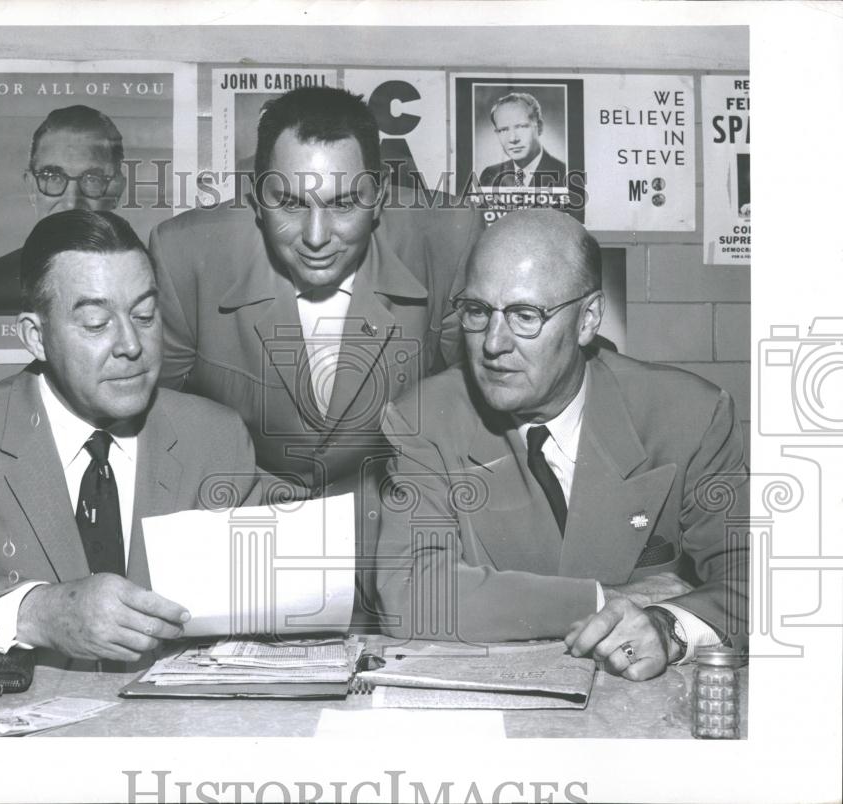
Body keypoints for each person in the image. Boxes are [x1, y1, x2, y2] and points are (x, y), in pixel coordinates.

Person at [0, 210, 259, 664]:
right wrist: (37, 612)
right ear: (36, 337)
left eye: (145, 315)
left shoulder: (216, 437)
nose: (131, 344)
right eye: (96, 323)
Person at [149, 86, 483, 618]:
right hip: (242, 528)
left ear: (378, 196)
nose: (316, 236)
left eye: (343, 203)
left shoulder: (446, 237)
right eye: (289, 203)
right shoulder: (187, 254)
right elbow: (153, 428)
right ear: (257, 197)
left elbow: (474, 416)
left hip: (396, 526)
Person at [376, 210, 748, 681]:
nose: (492, 344)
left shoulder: (690, 416)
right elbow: (410, 593)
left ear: (588, 319)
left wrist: (668, 625)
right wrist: (601, 598)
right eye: (477, 311)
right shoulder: (423, 418)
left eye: (525, 316)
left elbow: (764, 583)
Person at [0, 105, 127, 317]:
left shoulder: (159, 290)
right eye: (53, 177)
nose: (71, 203)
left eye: (92, 179)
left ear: (116, 189)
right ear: (31, 188)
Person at [479, 93, 566, 189]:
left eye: (521, 127)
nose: (513, 139)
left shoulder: (565, 173)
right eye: (503, 130)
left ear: (539, 127)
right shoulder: (490, 175)